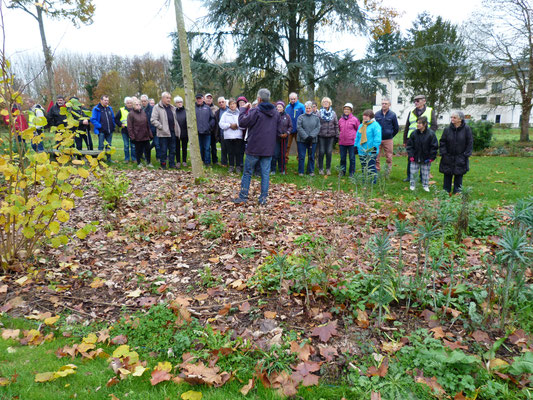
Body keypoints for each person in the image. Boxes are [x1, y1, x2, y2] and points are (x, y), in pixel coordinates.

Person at [232, 88, 281, 205]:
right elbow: (279, 129)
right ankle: (263, 199)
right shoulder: (276, 113)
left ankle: (243, 197)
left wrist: (243, 110)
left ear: (259, 99)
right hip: (268, 149)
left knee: (247, 172)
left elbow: (242, 123)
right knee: (265, 174)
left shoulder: (256, 111)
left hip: (254, 148)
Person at [403, 95, 437, 182]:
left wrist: (429, 135)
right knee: (411, 157)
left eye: (418, 101)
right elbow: (407, 126)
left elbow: (434, 125)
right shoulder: (411, 112)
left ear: (424, 101)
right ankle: (409, 176)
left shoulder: (430, 111)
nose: (416, 103)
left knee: (424, 156)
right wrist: (405, 140)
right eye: (415, 101)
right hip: (413, 138)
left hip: (426, 138)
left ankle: (423, 177)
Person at [439, 111, 473, 194]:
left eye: (454, 117)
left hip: (461, 156)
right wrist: (444, 153)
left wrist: (466, 154)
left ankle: (457, 192)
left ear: (460, 119)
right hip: (448, 156)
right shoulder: (447, 129)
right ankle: (446, 191)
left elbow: (470, 142)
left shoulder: (466, 129)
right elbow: (442, 141)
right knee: (447, 174)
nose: (452, 119)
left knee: (459, 174)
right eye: (451, 117)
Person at [406, 116, 438, 192]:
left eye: (420, 123)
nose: (418, 125)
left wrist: (431, 157)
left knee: (425, 173)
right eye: (417, 123)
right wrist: (411, 155)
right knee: (413, 172)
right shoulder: (414, 134)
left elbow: (434, 146)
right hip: (415, 157)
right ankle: (412, 185)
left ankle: (425, 185)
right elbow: (409, 146)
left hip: (426, 158)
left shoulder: (431, 134)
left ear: (425, 124)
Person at [150, 92, 181, 169]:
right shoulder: (157, 107)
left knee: (172, 150)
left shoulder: (172, 107)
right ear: (162, 98)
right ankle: (163, 165)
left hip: (172, 132)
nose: (169, 99)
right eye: (167, 98)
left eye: (170, 98)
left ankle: (172, 164)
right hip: (163, 133)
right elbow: (153, 120)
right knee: (163, 151)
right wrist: (161, 127)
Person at [355, 109, 382, 184]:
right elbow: (357, 136)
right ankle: (365, 180)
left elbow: (377, 137)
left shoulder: (375, 125)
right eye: (364, 115)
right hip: (361, 150)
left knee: (371, 166)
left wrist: (374, 147)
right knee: (363, 166)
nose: (365, 117)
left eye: (367, 116)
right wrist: (355, 145)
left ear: (371, 117)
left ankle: (373, 180)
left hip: (371, 149)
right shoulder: (361, 125)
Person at [374, 98, 399, 175]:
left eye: (386, 103)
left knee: (389, 157)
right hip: (378, 139)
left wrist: (390, 134)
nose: (384, 105)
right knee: (376, 157)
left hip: (388, 139)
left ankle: (387, 173)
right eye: (383, 103)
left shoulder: (392, 115)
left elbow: (396, 128)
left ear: (389, 105)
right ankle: (377, 172)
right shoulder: (377, 114)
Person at [296, 101, 320, 176]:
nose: (308, 109)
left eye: (309, 108)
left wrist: (311, 136)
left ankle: (311, 171)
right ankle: (301, 171)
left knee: (311, 156)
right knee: (302, 156)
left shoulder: (316, 118)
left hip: (312, 140)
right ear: (305, 108)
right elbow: (299, 127)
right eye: (307, 108)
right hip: (301, 140)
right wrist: (306, 137)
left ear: (312, 108)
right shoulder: (301, 117)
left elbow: (318, 127)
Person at [219, 98, 243, 173]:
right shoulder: (225, 114)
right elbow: (221, 124)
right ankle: (231, 166)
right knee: (230, 152)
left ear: (236, 105)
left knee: (238, 152)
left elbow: (244, 124)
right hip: (228, 136)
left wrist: (237, 125)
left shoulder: (240, 114)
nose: (232, 105)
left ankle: (238, 166)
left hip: (238, 136)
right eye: (231, 104)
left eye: (234, 104)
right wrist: (229, 125)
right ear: (228, 105)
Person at [127, 98, 153, 167]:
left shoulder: (143, 112)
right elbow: (129, 127)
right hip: (137, 136)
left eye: (139, 104)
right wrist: (132, 136)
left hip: (145, 135)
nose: (138, 106)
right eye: (136, 104)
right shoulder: (131, 114)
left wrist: (150, 134)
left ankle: (149, 162)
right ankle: (139, 163)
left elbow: (147, 124)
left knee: (148, 149)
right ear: (133, 106)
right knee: (138, 151)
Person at [317, 97, 339, 175]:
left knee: (329, 152)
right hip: (321, 135)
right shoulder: (319, 113)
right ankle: (320, 169)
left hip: (331, 136)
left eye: (327, 102)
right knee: (321, 152)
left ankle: (328, 169)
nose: (326, 103)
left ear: (330, 103)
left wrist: (337, 135)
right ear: (322, 103)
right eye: (324, 102)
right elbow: (317, 124)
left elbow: (336, 124)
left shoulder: (333, 113)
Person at [90, 95, 115, 162]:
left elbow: (112, 118)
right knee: (101, 145)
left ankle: (109, 159)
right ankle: (100, 159)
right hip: (101, 131)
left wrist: (113, 126)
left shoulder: (109, 108)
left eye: (107, 100)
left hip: (109, 130)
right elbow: (93, 119)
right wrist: (99, 126)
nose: (106, 102)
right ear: (101, 100)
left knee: (109, 145)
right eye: (105, 100)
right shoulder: (96, 109)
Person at [338, 103, 359, 177]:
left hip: (352, 142)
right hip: (342, 142)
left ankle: (351, 173)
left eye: (348, 109)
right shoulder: (340, 120)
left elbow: (358, 130)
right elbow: (340, 129)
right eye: (345, 109)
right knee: (342, 158)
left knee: (352, 158)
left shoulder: (355, 119)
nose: (346, 110)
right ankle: (342, 172)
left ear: (351, 111)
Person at [271, 100, 292, 175]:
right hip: (276, 138)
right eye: (277, 107)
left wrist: (287, 133)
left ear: (283, 108)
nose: (279, 108)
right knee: (275, 154)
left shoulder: (287, 116)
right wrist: (278, 134)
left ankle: (282, 169)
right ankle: (273, 169)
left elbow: (290, 126)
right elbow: (272, 126)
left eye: (280, 107)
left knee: (282, 154)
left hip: (284, 138)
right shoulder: (274, 116)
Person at [285, 93, 306, 165]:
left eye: (294, 99)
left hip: (299, 130)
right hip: (289, 130)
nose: (293, 100)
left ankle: (300, 160)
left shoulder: (301, 106)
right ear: (289, 99)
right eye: (291, 99)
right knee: (287, 145)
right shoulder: (287, 107)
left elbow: (305, 116)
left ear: (297, 98)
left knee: (299, 146)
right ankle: (285, 160)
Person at [195, 93, 215, 165]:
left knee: (207, 148)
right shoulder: (194, 108)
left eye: (200, 98)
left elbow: (212, 119)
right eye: (198, 98)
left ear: (203, 99)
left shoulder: (207, 108)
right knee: (200, 148)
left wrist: (209, 127)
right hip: (198, 133)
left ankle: (207, 162)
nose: (199, 100)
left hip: (207, 132)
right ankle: (201, 161)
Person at [115, 97, 136, 163]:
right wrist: (120, 124)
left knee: (133, 145)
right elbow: (116, 119)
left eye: (130, 103)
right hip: (125, 130)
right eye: (128, 103)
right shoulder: (121, 110)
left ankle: (134, 158)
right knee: (126, 145)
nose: (129, 104)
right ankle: (126, 159)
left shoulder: (135, 110)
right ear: (125, 103)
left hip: (133, 130)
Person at [141, 94, 158, 163]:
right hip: (143, 131)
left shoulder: (152, 109)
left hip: (152, 129)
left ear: (147, 101)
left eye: (145, 101)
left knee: (157, 144)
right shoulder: (139, 109)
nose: (143, 102)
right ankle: (146, 158)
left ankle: (158, 157)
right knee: (145, 146)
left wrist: (153, 129)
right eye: (142, 101)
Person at [205, 93, 220, 164]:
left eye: (210, 98)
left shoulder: (216, 108)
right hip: (205, 131)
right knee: (206, 147)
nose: (209, 99)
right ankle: (206, 160)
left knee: (213, 147)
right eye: (207, 98)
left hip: (213, 131)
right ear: (204, 99)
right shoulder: (202, 107)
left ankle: (215, 160)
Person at [174, 96, 188, 168]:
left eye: (180, 102)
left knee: (184, 147)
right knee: (177, 148)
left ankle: (184, 161)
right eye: (177, 102)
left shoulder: (186, 111)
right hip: (176, 132)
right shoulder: (174, 111)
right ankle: (178, 161)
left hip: (185, 132)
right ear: (175, 103)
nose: (179, 103)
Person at [214, 97, 228, 166]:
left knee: (232, 150)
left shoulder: (230, 110)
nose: (221, 103)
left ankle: (233, 163)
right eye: (220, 102)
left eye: (222, 102)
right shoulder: (217, 112)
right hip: (222, 133)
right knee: (223, 149)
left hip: (230, 133)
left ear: (225, 102)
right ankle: (224, 163)